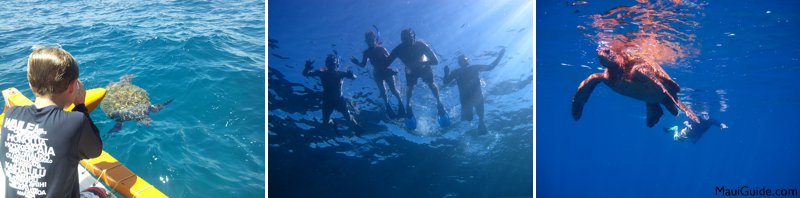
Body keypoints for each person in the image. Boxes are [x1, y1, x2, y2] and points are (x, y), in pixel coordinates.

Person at [0, 47, 106, 198]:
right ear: (72, 87)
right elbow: (95, 150)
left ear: (30, 83)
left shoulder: (11, 114)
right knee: (99, 193)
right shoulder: (76, 120)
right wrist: (81, 107)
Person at [387, 28, 448, 128]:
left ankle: (439, 103)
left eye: (409, 39)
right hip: (410, 71)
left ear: (414, 37)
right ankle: (408, 106)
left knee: (431, 84)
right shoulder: (398, 49)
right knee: (410, 87)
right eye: (404, 39)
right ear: (401, 40)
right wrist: (389, 70)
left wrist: (422, 63)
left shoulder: (421, 45)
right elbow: (386, 62)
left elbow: (436, 61)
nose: (407, 42)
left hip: (424, 67)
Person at [444, 48, 506, 133]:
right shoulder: (457, 72)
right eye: (460, 61)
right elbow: (446, 82)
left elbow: (491, 67)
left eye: (463, 60)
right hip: (468, 99)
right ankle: (479, 124)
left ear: (466, 61)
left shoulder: (472, 68)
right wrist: (446, 73)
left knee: (477, 117)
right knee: (469, 119)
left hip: (475, 97)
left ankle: (481, 123)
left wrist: (500, 56)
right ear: (460, 62)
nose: (462, 62)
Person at [303, 53, 364, 135]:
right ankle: (334, 124)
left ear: (336, 64)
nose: (331, 65)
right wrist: (307, 67)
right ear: (326, 64)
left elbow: (354, 77)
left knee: (348, 117)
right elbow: (306, 74)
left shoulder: (340, 73)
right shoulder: (322, 72)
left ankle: (356, 126)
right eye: (329, 63)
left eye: (333, 63)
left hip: (339, 100)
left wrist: (351, 74)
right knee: (325, 122)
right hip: (327, 101)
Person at [351, 28, 405, 118]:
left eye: (371, 39)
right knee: (383, 92)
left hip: (386, 71)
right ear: (366, 41)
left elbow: (390, 59)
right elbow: (363, 65)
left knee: (393, 90)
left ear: (375, 39)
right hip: (377, 74)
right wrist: (356, 62)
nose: (370, 42)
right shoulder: (366, 53)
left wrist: (393, 70)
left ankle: (400, 104)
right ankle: (388, 106)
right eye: (368, 40)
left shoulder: (382, 49)